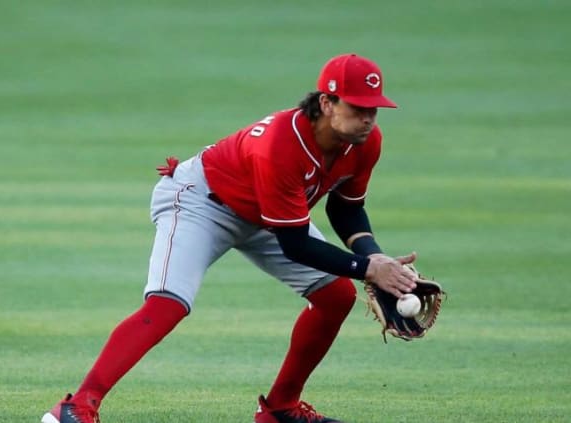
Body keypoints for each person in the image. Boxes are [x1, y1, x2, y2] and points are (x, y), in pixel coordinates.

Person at [41, 53, 419, 423]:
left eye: (375, 109)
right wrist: (366, 269)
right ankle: (75, 408)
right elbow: (295, 244)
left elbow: (346, 208)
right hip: (200, 202)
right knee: (167, 304)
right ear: (327, 102)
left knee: (335, 296)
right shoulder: (280, 146)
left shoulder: (366, 143)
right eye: (357, 108)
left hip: (268, 215)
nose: (368, 118)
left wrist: (379, 261)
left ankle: (279, 408)